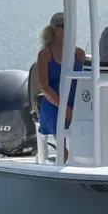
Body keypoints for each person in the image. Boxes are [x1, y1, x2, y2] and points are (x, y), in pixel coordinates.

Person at [36, 12, 85, 161]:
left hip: (77, 102)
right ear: (55, 29)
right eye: (65, 27)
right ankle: (65, 161)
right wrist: (64, 108)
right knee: (57, 120)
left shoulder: (78, 53)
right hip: (54, 102)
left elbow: (84, 81)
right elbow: (43, 86)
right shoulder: (45, 55)